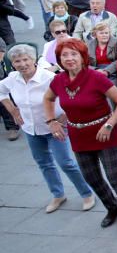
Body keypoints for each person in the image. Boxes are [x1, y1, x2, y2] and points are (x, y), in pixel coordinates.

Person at [42, 39, 117, 233]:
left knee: (114, 175)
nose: (69, 59)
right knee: (91, 177)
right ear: (59, 59)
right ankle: (113, 207)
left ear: (82, 57)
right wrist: (51, 121)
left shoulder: (96, 77)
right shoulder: (59, 80)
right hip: (78, 135)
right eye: (65, 55)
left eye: (74, 54)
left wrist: (110, 124)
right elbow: (48, 98)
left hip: (104, 133)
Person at [0, 44, 95, 212]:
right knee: (43, 163)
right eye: (17, 61)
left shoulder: (49, 78)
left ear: (34, 59)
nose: (22, 64)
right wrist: (13, 110)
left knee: (66, 163)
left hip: (55, 128)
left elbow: (72, 99)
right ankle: (58, 195)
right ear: (12, 64)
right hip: (31, 129)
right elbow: (1, 91)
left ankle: (86, 193)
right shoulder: (13, 78)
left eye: (25, 59)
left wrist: (61, 120)